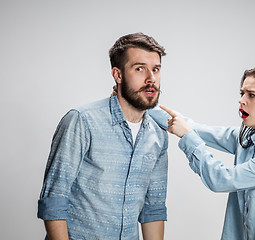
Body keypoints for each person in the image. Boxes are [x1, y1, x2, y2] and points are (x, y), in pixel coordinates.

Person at [149, 65, 255, 239]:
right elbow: (194, 128)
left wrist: (187, 136)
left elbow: (221, 179)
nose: (242, 100)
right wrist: (137, 100)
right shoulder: (247, 140)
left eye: (251, 95)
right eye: (242, 94)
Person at [38, 33, 168, 240]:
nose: (151, 78)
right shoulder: (82, 121)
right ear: (118, 75)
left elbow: (153, 209)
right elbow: (54, 201)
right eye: (139, 68)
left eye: (156, 69)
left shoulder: (158, 134)